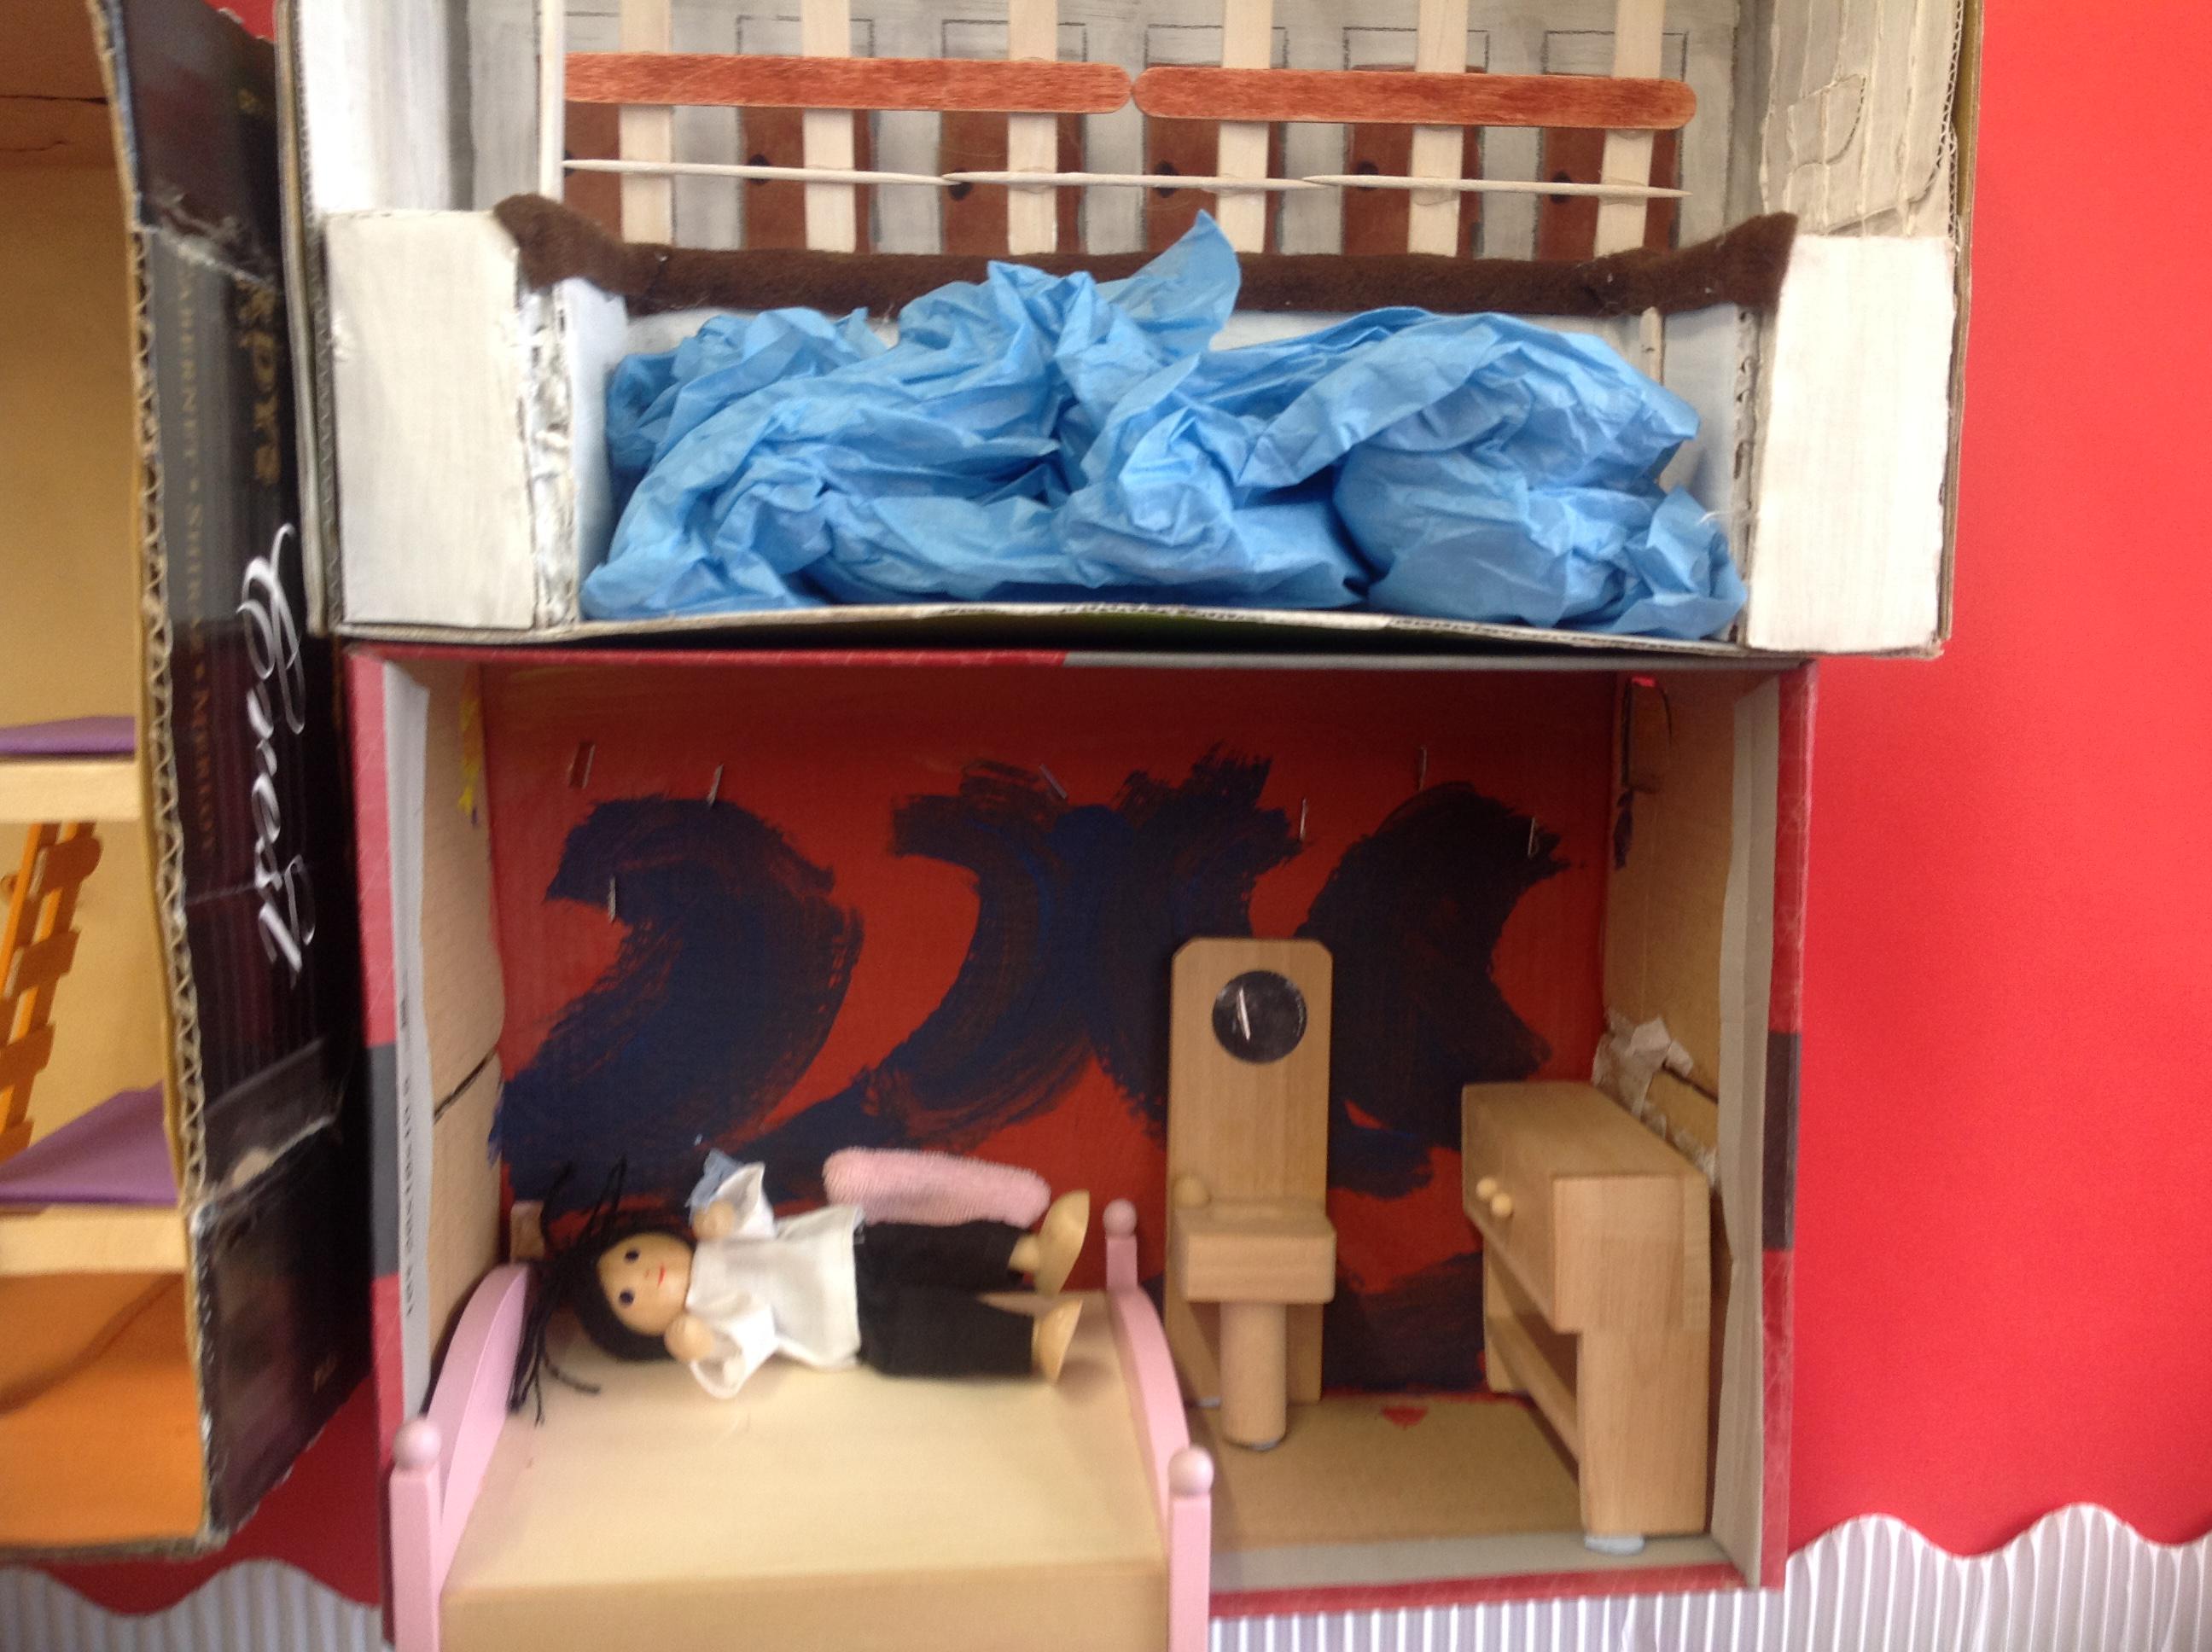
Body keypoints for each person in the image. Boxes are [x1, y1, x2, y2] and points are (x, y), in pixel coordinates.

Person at [511, 1154, 1090, 1414]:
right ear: (638, 1333)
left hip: (849, 1247)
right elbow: (751, 1342)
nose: (643, 1273)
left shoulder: (716, 1240)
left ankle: (1036, 1254)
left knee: (937, 1247)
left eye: (632, 1255)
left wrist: (724, 1216)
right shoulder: (707, 1317)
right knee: (937, 1331)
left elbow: (758, 1217)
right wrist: (700, 1344)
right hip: (850, 1322)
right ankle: (1031, 1343)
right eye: (629, 1296)